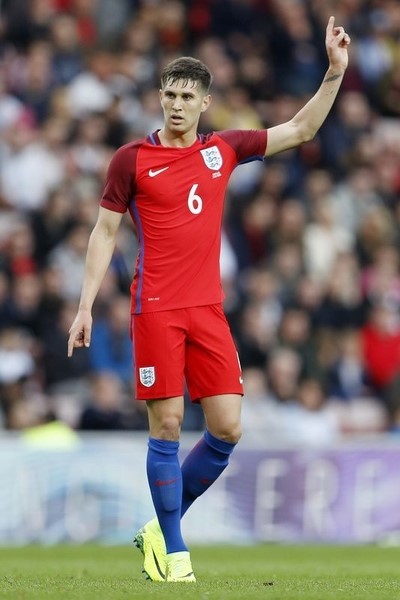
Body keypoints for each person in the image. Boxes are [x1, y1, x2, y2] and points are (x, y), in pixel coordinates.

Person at [68, 16, 350, 583]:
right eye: (169, 94)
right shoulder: (131, 160)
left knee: (226, 429)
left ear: (205, 103)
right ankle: (174, 555)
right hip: (157, 308)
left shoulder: (224, 149)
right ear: (161, 98)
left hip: (208, 310)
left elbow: (299, 131)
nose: (175, 105)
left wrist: (334, 73)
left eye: (186, 96)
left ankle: (158, 530)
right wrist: (85, 305)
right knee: (167, 425)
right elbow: (104, 232)